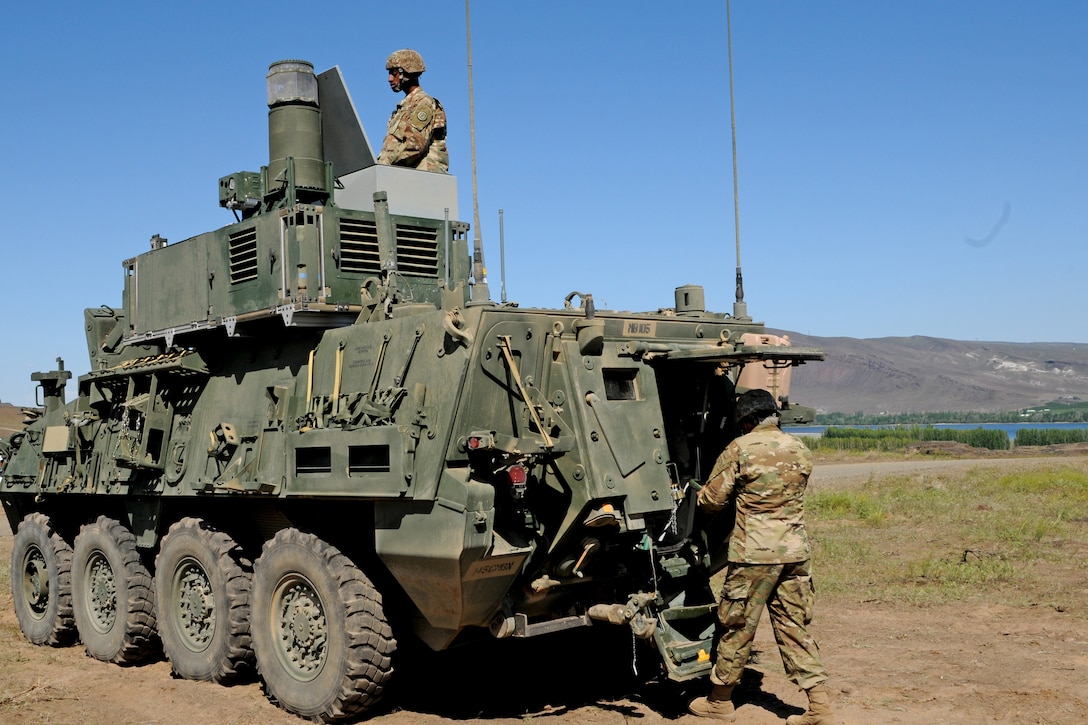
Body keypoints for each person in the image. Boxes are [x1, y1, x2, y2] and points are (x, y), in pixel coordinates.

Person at [688, 388, 835, 724]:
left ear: (747, 422)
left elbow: (711, 499)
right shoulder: (799, 447)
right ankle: (819, 707)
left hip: (754, 553)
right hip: (796, 553)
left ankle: (720, 701)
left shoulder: (740, 449)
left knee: (737, 626)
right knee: (793, 626)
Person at [376, 49, 449, 173]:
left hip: (425, 178)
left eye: (394, 74)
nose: (389, 79)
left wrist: (383, 164)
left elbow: (414, 146)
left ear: (406, 73)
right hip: (406, 177)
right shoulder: (401, 109)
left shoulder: (424, 103)